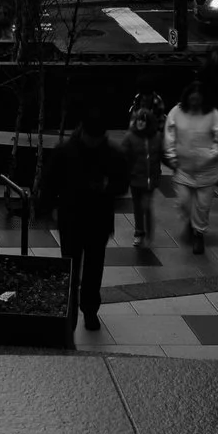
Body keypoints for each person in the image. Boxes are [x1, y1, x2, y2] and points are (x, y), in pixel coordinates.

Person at [40, 108, 126, 335]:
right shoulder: (67, 152)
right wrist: (49, 208)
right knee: (72, 267)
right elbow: (50, 183)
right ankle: (72, 310)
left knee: (92, 267)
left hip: (95, 218)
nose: (95, 142)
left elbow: (122, 184)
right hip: (74, 218)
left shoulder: (109, 153)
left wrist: (107, 186)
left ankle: (88, 310)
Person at [163, 83, 218, 254]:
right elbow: (170, 135)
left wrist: (210, 155)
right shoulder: (176, 112)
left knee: (203, 205)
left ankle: (198, 233)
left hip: (207, 171)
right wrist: (171, 157)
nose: (194, 103)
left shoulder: (213, 114)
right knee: (184, 202)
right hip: (183, 169)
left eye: (198, 99)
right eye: (191, 99)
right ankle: (189, 220)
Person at [113, 99, 161, 246]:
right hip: (135, 179)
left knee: (146, 205)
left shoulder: (156, 137)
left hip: (150, 179)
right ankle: (139, 231)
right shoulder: (130, 137)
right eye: (139, 120)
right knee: (138, 206)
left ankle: (147, 229)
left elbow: (162, 154)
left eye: (144, 121)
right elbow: (122, 155)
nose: (140, 123)